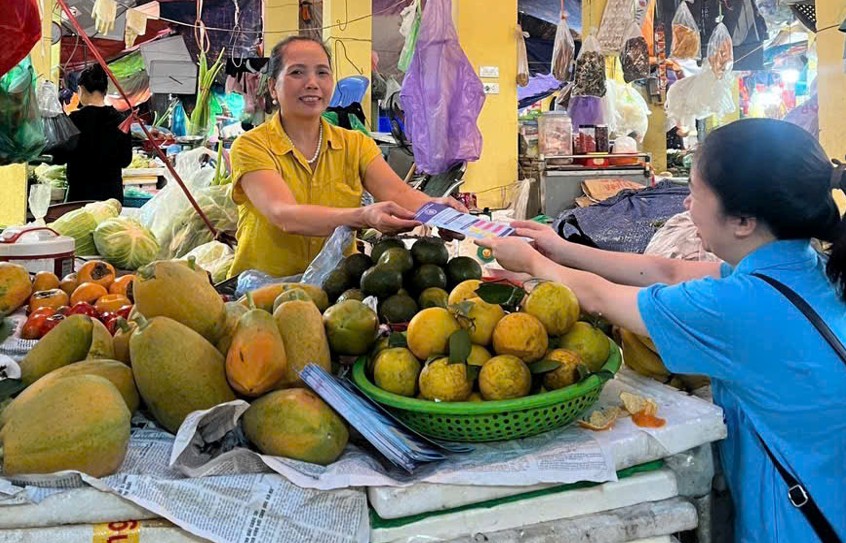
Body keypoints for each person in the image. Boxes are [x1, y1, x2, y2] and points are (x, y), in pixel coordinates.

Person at [477, 119, 846, 543]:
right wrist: (561, 249)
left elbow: (599, 300)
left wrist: (533, 264)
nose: (686, 204)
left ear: (743, 220)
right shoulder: (806, 268)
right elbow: (666, 271)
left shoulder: (737, 307)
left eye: (696, 192)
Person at [229, 36, 465, 278]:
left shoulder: (356, 144)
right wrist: (362, 216)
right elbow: (284, 214)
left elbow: (398, 194)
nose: (312, 83)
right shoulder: (251, 146)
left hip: (338, 289)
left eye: (322, 73)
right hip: (261, 291)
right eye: (297, 72)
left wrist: (436, 209)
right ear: (272, 87)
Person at [53, 64, 132, 203]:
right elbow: (125, 160)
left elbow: (60, 157)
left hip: (80, 196)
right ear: (105, 90)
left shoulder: (74, 120)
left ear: (80, 89)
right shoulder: (120, 120)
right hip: (111, 198)